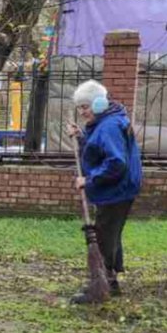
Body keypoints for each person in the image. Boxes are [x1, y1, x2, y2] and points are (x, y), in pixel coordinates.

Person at [68, 78, 143, 300]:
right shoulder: (107, 121)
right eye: (79, 108)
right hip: (119, 189)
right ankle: (110, 282)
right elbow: (98, 149)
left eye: (85, 107)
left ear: (99, 103)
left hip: (116, 191)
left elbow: (116, 163)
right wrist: (82, 138)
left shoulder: (109, 126)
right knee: (111, 234)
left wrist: (89, 180)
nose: (82, 112)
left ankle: (100, 286)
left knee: (104, 236)